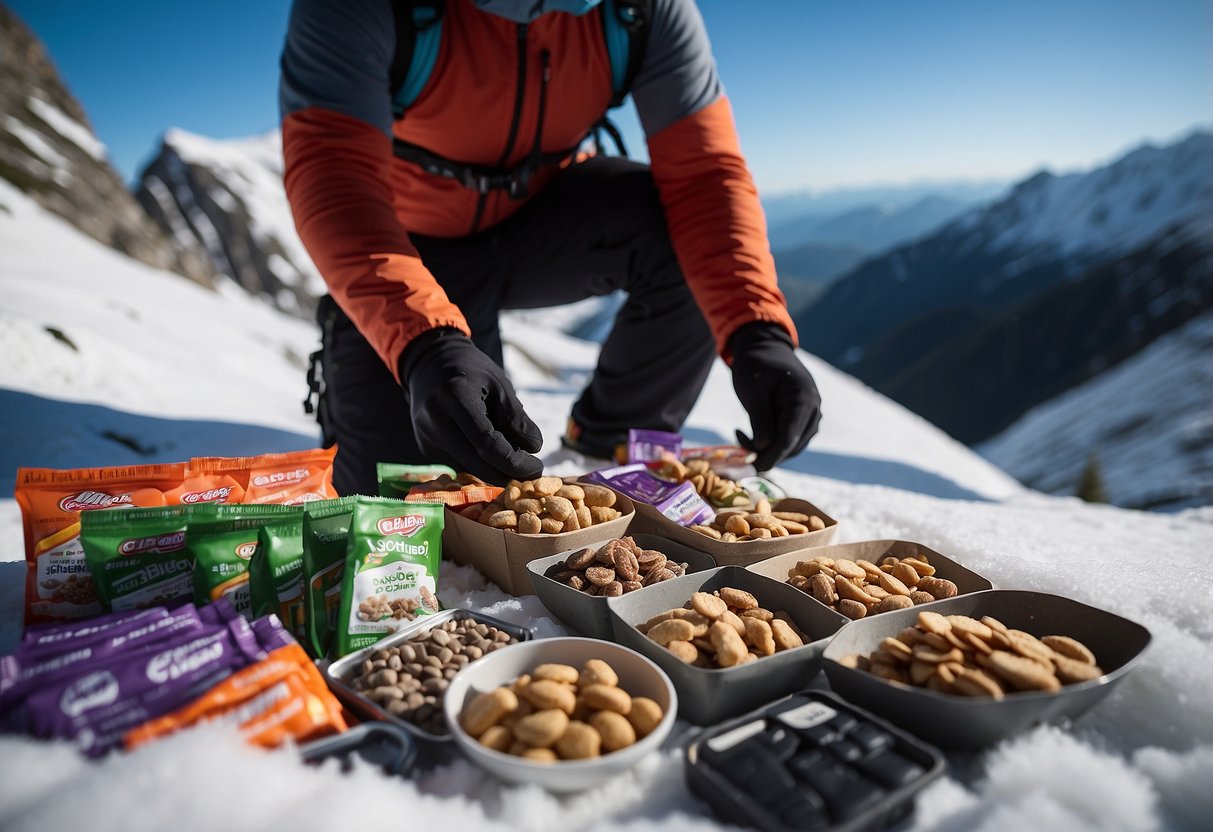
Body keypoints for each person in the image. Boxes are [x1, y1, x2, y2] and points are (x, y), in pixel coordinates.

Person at [280, 0, 822, 495]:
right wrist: (424, 345)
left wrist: (758, 332)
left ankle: (608, 446)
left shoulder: (641, 11)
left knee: (677, 230)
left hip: (540, 224)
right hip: (406, 247)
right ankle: (376, 349)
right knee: (407, 507)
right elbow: (335, 178)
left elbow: (705, 179)